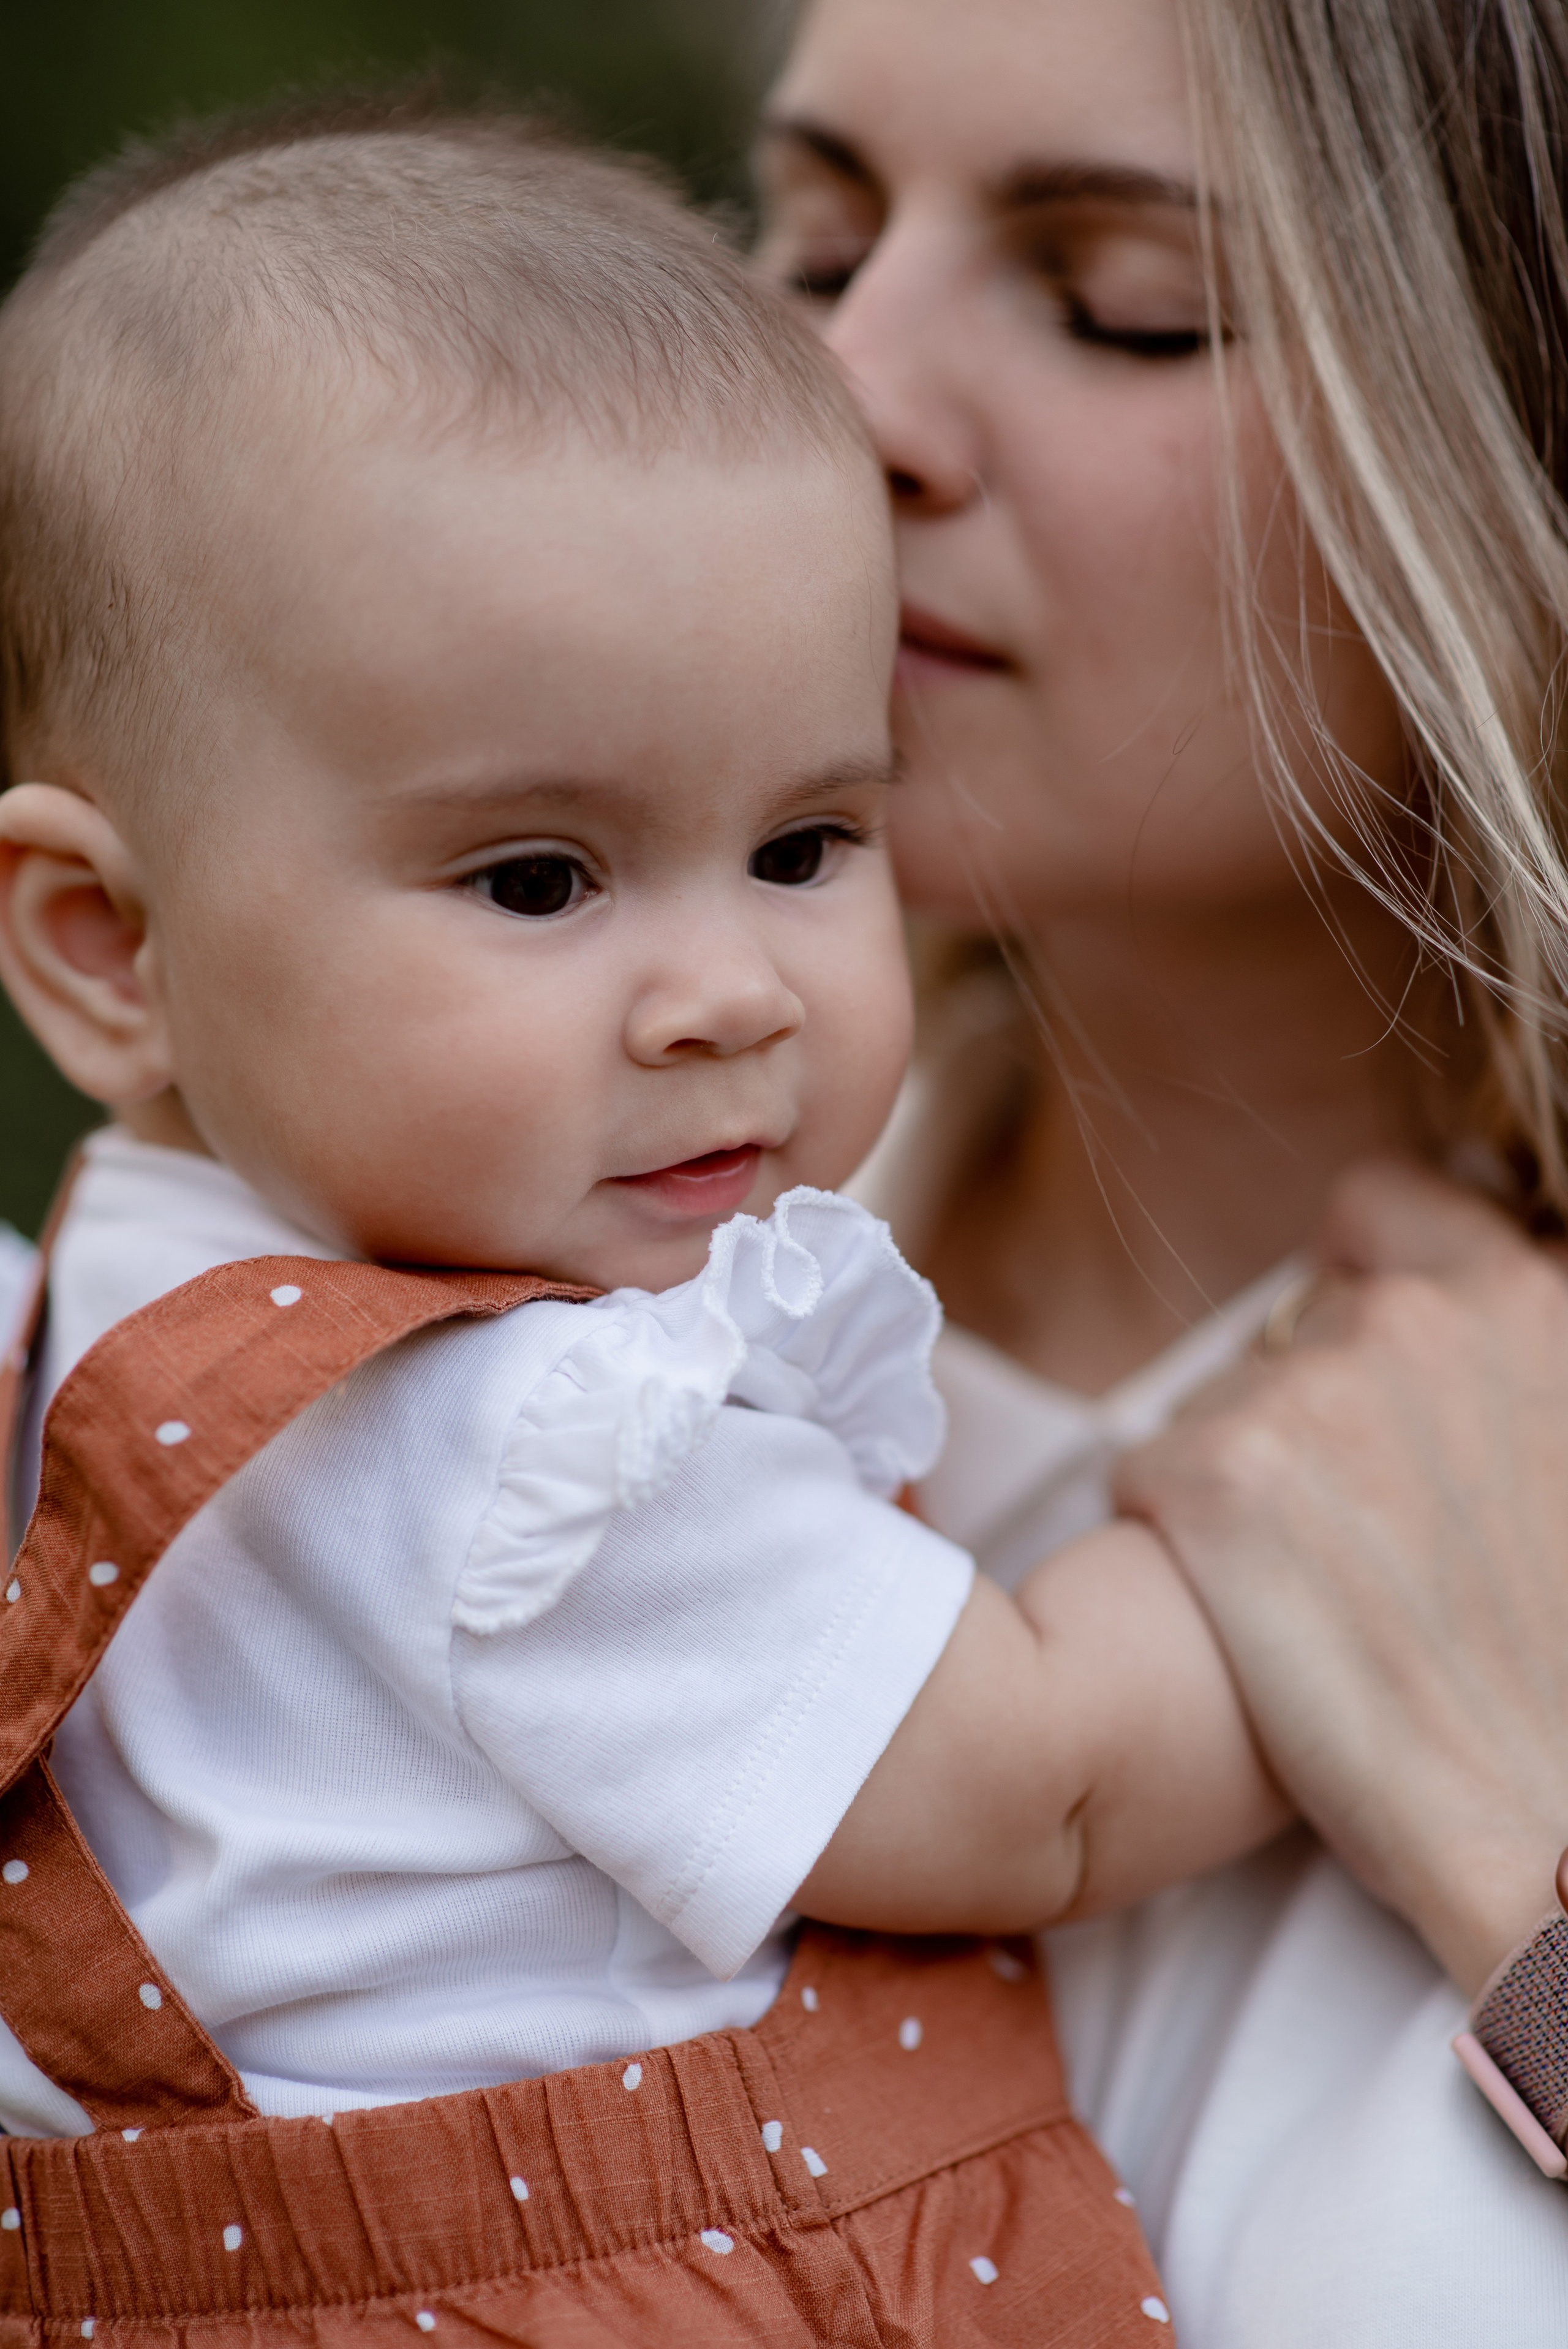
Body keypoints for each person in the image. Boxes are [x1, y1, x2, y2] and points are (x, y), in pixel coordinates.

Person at [0, 96, 1310, 2344]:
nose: (728, 991)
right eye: (538, 878)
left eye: (809, 840)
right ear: (110, 949)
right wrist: (1308, 1506)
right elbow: (1047, 1786)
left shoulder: (98, 1309)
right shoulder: (523, 1440)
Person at [755, 0, 1568, 2339]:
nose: (848, 402)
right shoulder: (441, 1321)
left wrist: (1538, 1871)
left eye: (1123, 301)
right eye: (813, 250)